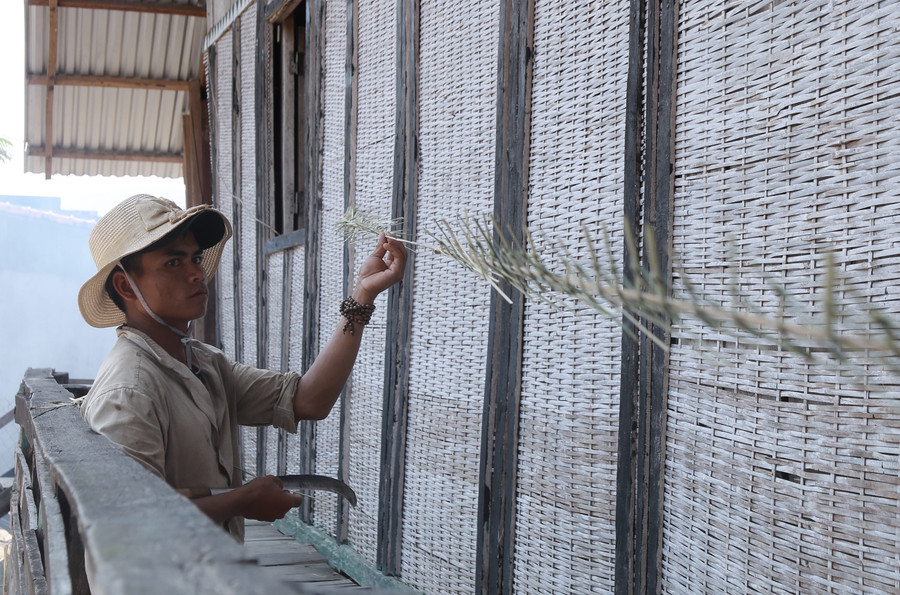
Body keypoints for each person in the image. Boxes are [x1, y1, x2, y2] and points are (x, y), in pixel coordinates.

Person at [77, 194, 407, 540]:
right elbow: (124, 524)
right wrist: (240, 501)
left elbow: (308, 400)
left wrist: (362, 297)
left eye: (195, 258)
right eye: (173, 263)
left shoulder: (203, 363)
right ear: (125, 285)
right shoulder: (129, 391)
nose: (196, 274)